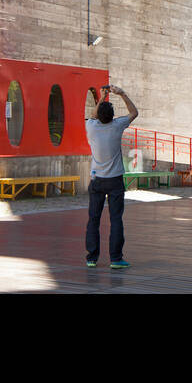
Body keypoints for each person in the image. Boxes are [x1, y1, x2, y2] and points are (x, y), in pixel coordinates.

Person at [84, 83, 138, 269]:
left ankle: (91, 258)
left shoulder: (91, 127)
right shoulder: (117, 126)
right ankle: (115, 259)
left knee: (94, 219)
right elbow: (134, 112)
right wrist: (121, 93)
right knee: (116, 219)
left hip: (96, 180)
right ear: (112, 116)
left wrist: (102, 96)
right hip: (115, 180)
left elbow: (93, 115)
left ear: (98, 116)